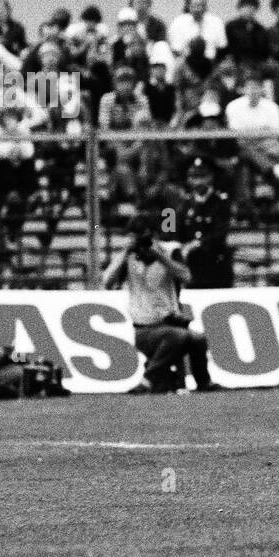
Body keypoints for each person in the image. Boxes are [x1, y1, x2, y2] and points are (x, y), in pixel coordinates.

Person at [104, 214, 219, 393]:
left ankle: (204, 382)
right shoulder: (128, 257)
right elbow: (107, 282)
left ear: (154, 235)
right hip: (144, 329)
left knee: (198, 339)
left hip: (169, 321)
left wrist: (160, 257)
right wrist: (125, 252)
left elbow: (186, 277)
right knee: (178, 336)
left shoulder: (171, 251)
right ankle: (147, 380)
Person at [177, 156, 233, 288]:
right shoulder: (182, 204)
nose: (198, 181)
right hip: (191, 268)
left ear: (210, 177)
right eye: (194, 176)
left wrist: (197, 243)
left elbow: (221, 232)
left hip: (216, 267)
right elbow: (171, 229)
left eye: (202, 176)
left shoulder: (221, 202)